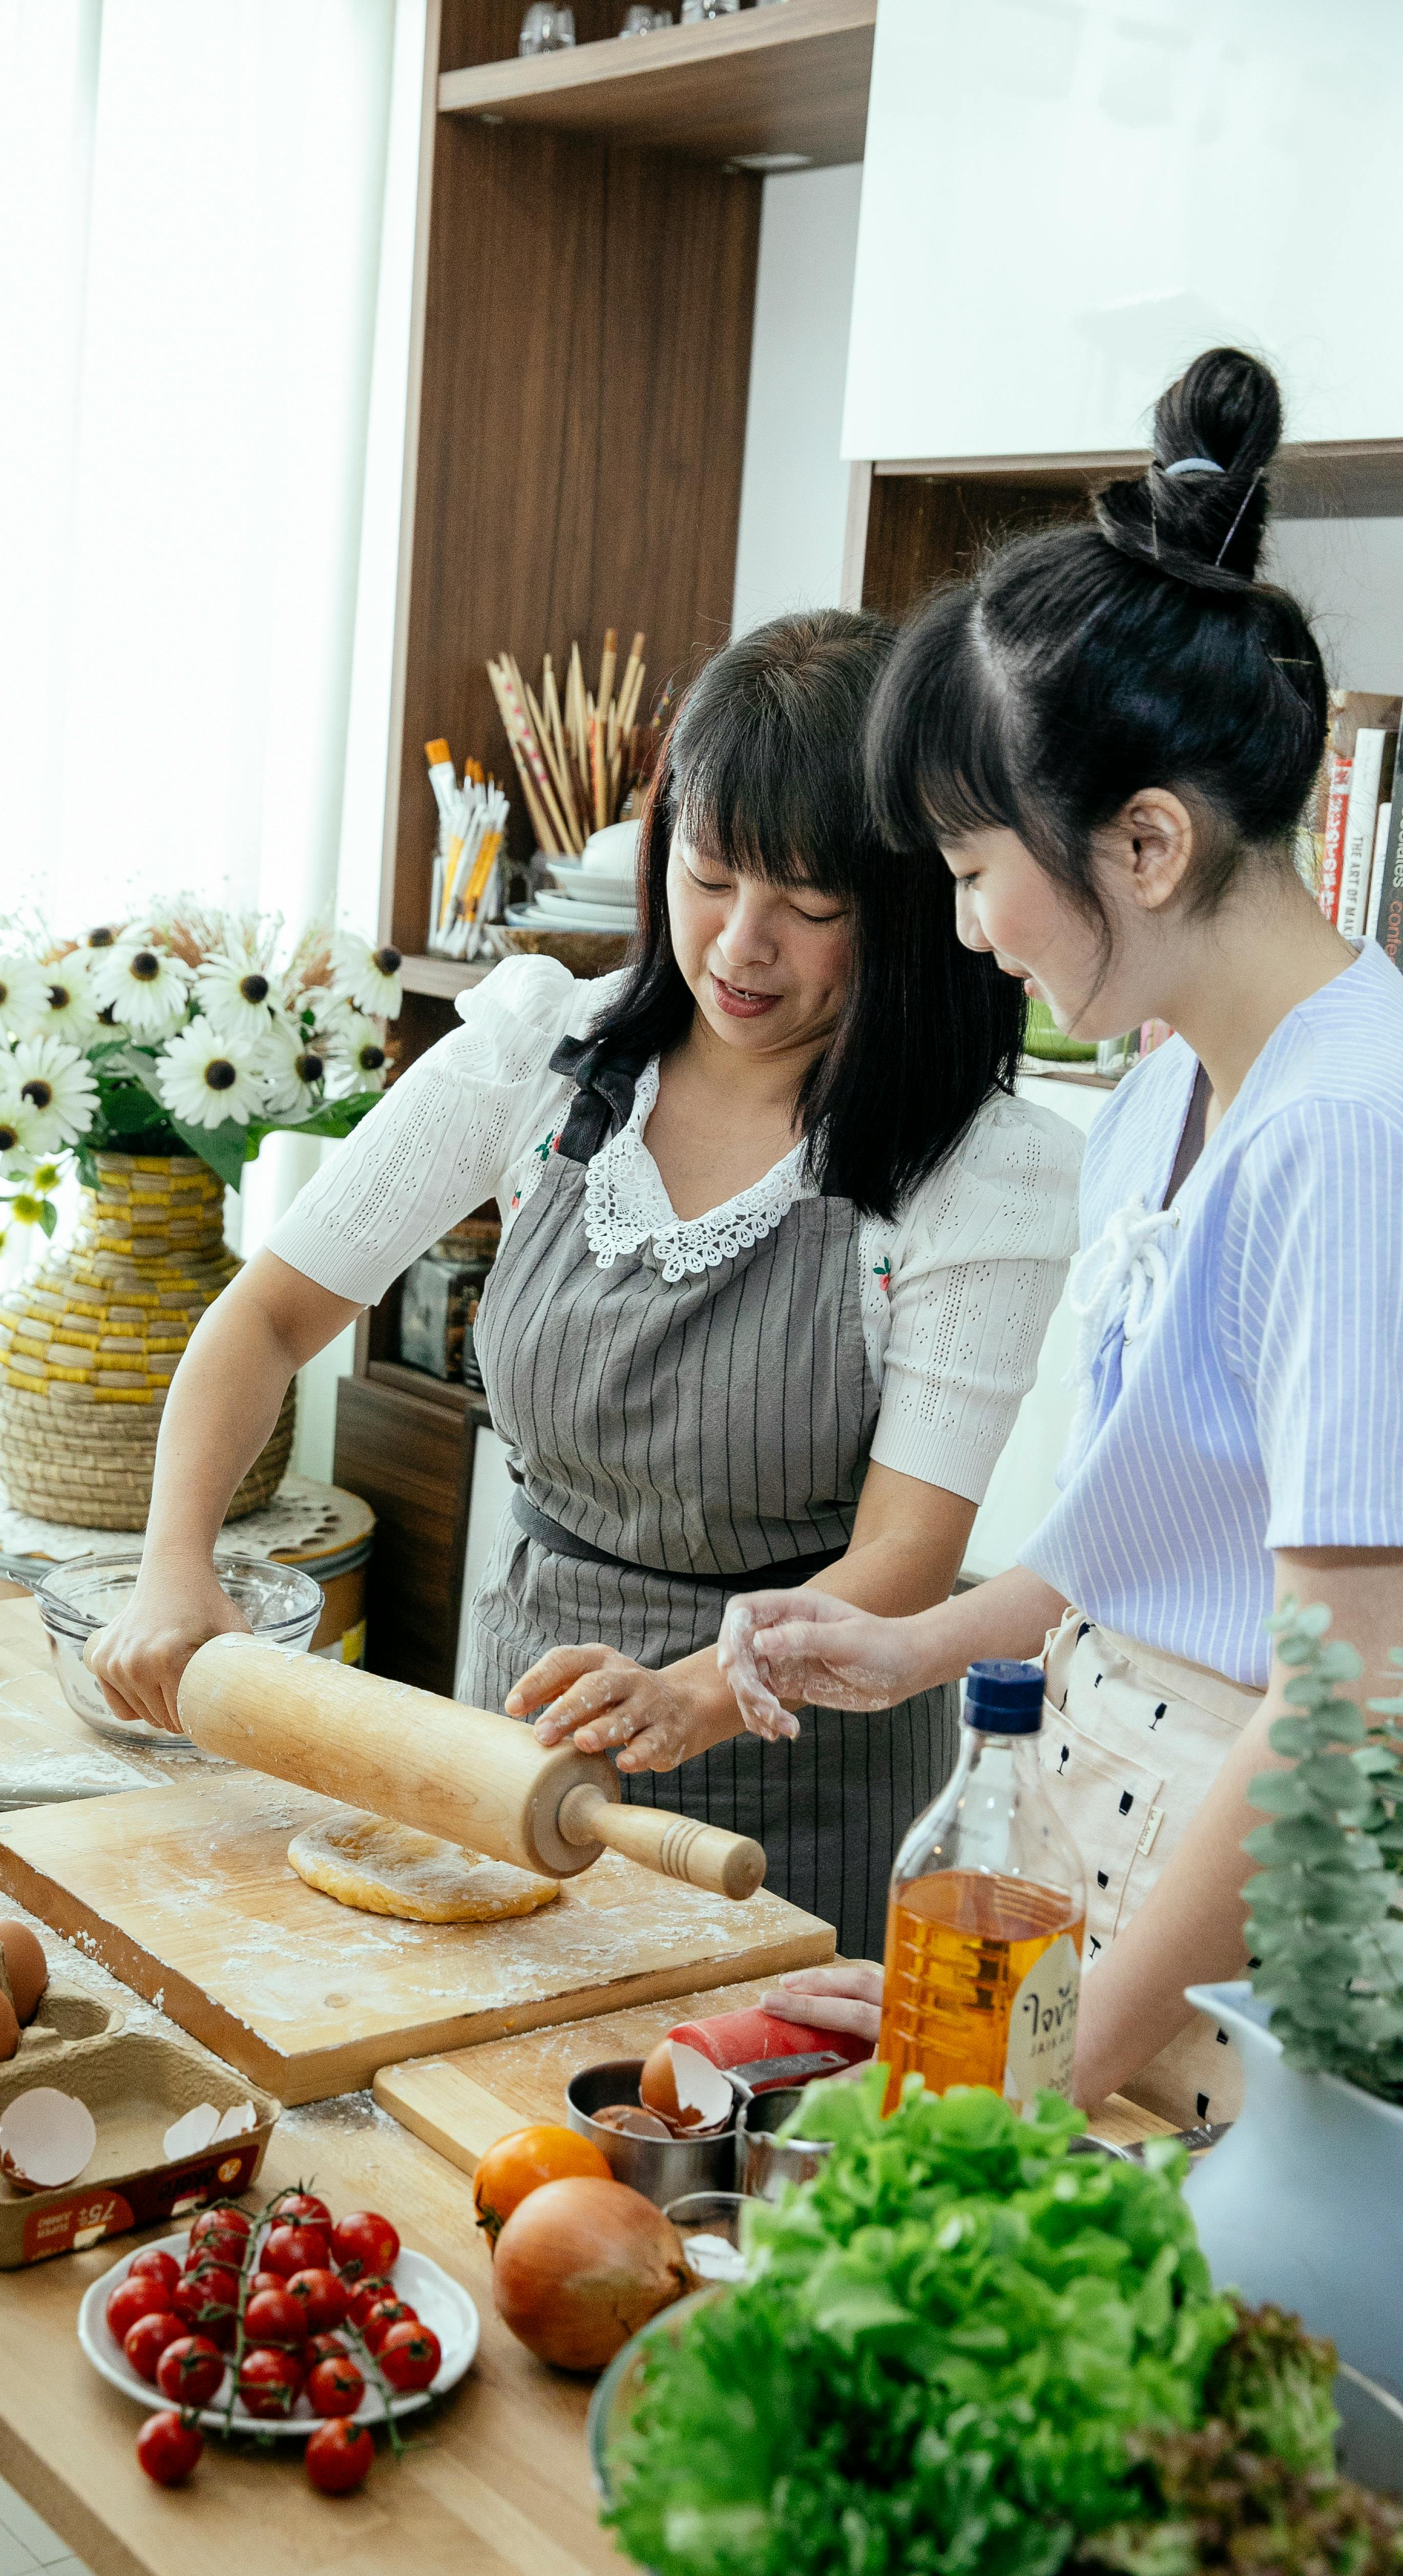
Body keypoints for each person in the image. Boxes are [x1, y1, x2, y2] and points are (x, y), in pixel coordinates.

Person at [85, 610, 1080, 1952]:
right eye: (711, 877)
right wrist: (172, 1564)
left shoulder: (975, 1174)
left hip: (799, 1790)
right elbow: (270, 1314)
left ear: (906, 906)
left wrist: (691, 1697)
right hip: (515, 1740)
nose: (740, 945)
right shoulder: (542, 1058)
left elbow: (906, 1559)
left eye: (809, 907)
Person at [719, 350, 1403, 2122]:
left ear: (1149, 842)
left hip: (1232, 1913)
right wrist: (919, 1645)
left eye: (967, 863)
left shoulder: (1349, 1134)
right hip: (1095, 1827)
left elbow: (1347, 1707)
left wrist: (1048, 2068)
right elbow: (1153, 1534)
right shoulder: (1172, 1088)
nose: (961, 925)